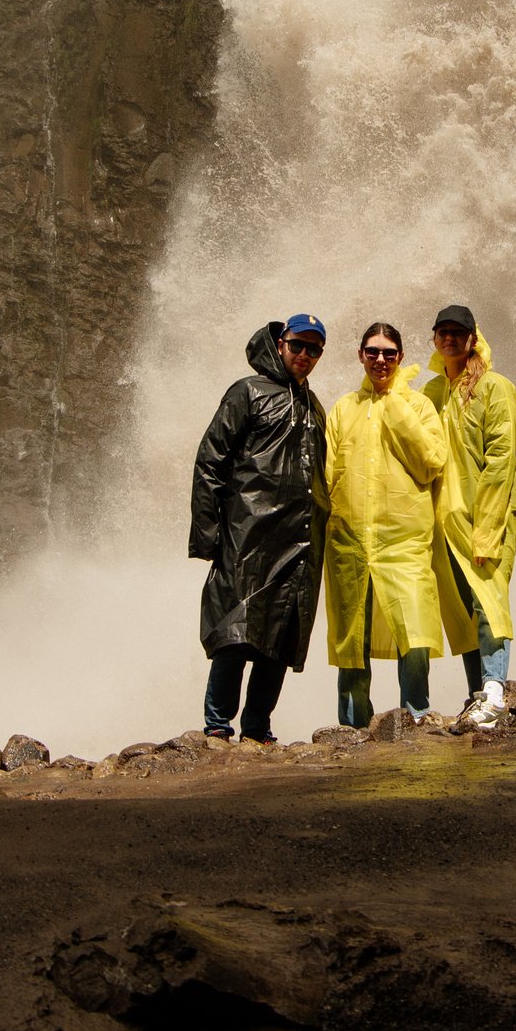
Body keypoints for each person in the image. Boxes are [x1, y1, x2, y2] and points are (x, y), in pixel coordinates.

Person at [188, 314, 330, 744]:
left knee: (280, 638)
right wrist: (209, 535)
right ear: (279, 343)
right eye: (297, 345)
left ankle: (257, 730)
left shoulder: (314, 406)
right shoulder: (246, 392)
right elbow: (210, 462)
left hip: (300, 540)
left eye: (314, 349)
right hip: (247, 534)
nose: (304, 355)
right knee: (236, 633)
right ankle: (217, 728)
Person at [322, 321, 451, 727]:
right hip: (349, 542)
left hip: (405, 541)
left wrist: (394, 402)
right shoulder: (343, 409)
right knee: (352, 639)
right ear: (360, 355)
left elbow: (431, 463)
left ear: (400, 357)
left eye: (389, 353)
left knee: (413, 633)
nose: (381, 360)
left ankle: (415, 717)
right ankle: (353, 727)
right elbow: (327, 477)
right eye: (373, 352)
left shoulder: (418, 406)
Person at [423, 305, 516, 729]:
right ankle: (477, 696)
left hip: (482, 517)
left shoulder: (495, 388)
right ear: (435, 339)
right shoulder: (431, 393)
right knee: (465, 610)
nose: (450, 337)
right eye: (443, 331)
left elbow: (503, 458)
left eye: (458, 332)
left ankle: (495, 692)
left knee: (489, 603)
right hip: (443, 523)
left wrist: (488, 526)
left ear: (473, 338)